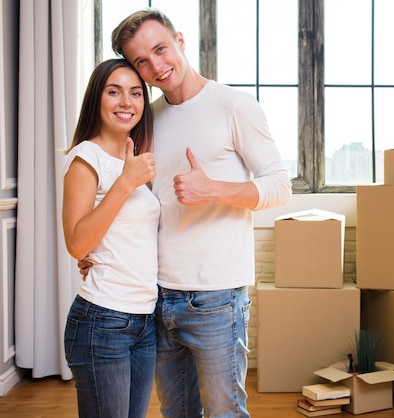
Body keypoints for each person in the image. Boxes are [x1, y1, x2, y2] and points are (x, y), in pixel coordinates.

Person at [86, 8, 292, 418]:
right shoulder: (147, 120)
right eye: (141, 61)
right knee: (176, 412)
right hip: (155, 296)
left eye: (160, 50)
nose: (156, 66)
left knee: (224, 412)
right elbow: (140, 206)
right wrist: (97, 251)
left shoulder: (235, 105)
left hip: (215, 297)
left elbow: (280, 185)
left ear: (180, 40)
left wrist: (213, 188)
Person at [62, 58, 158, 418]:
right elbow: (76, 243)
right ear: (96, 99)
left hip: (144, 320)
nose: (126, 102)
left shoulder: (132, 157)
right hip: (103, 321)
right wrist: (126, 183)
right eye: (113, 91)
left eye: (135, 93)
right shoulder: (86, 158)